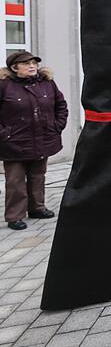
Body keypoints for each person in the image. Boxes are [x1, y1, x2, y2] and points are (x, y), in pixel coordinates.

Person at [0, 51, 68, 230]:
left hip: (42, 138)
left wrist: (57, 125)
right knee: (15, 180)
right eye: (26, 63)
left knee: (38, 175)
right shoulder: (4, 86)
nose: (32, 66)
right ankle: (15, 216)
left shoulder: (47, 83)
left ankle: (37, 208)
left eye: (34, 63)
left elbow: (60, 105)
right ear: (15, 68)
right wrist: (4, 134)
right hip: (14, 142)